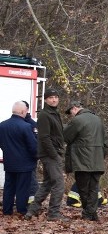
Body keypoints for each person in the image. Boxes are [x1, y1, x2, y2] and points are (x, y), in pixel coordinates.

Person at [26, 89, 67, 220]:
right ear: (45, 100)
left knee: (47, 183)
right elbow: (44, 138)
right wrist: (55, 155)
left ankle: (32, 211)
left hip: (54, 153)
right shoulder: (45, 114)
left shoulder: (54, 113)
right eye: (51, 98)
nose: (54, 100)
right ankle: (53, 214)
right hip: (50, 154)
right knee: (59, 183)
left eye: (56, 97)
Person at [63, 100, 107, 221]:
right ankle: (92, 214)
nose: (71, 115)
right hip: (97, 160)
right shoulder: (98, 119)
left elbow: (66, 136)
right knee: (93, 188)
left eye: (70, 112)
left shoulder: (77, 120)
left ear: (74, 108)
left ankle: (88, 214)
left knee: (83, 188)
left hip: (82, 160)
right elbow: (105, 141)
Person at [0, 101, 38, 216]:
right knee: (22, 188)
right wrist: (36, 157)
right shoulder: (26, 126)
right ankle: (21, 210)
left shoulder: (2, 125)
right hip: (24, 164)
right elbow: (32, 146)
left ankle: (7, 210)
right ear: (22, 111)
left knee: (9, 187)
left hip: (9, 162)